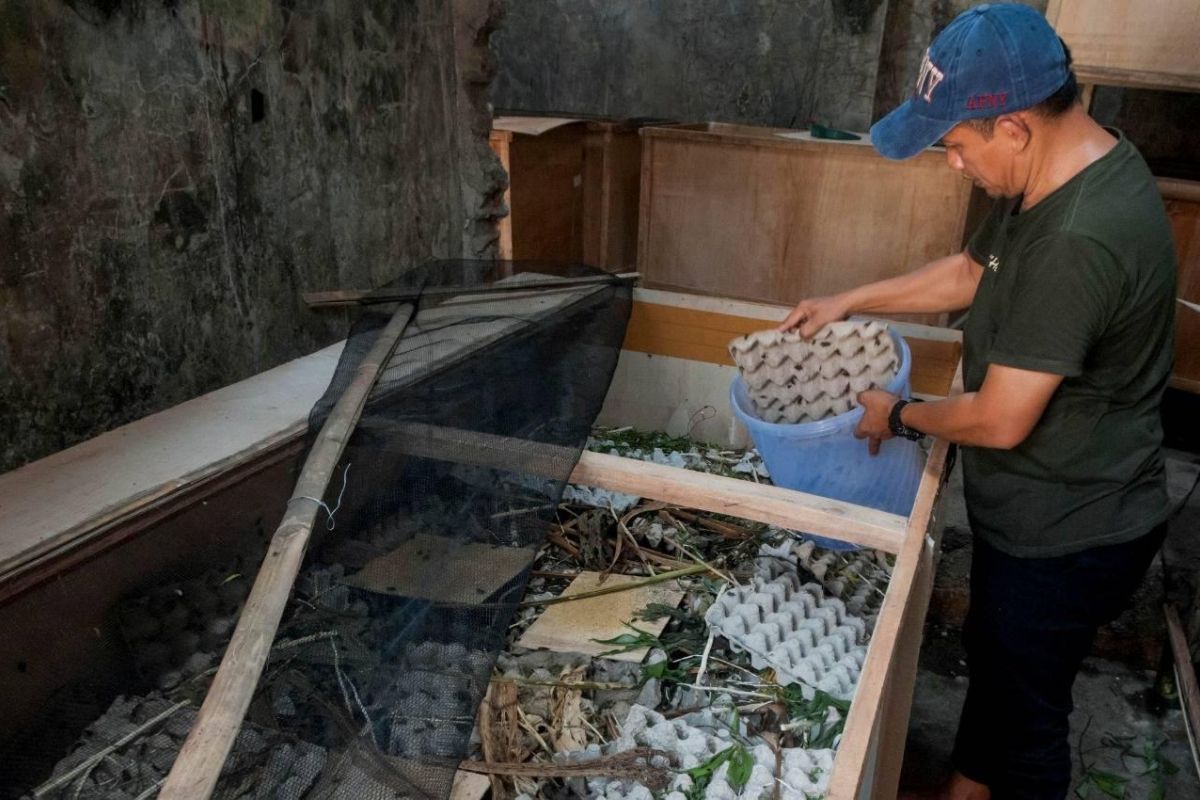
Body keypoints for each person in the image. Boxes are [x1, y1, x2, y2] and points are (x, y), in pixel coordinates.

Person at [778, 5, 1177, 799]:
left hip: (1068, 528)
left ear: (1015, 127)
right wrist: (850, 299)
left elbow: (998, 417)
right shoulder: (1069, 168)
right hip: (1045, 508)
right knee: (999, 665)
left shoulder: (1078, 239)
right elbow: (973, 272)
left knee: (1029, 722)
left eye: (957, 145)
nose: (954, 164)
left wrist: (896, 415)